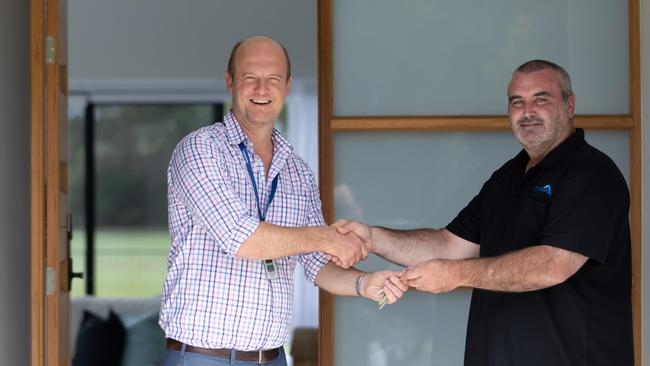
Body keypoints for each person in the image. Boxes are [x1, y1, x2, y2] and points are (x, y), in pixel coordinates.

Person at [338, 60, 633, 365]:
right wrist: (373, 238)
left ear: (569, 105)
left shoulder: (592, 174)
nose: (527, 111)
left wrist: (454, 274)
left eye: (541, 99)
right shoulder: (507, 178)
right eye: (517, 102)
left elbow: (554, 265)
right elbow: (448, 246)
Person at [159, 36, 406, 366]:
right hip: (204, 358)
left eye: (273, 79)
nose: (262, 89)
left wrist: (364, 283)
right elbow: (240, 237)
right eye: (250, 78)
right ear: (230, 82)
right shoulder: (200, 150)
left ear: (287, 86)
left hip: (273, 358)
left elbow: (317, 263)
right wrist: (326, 237)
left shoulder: (297, 170)